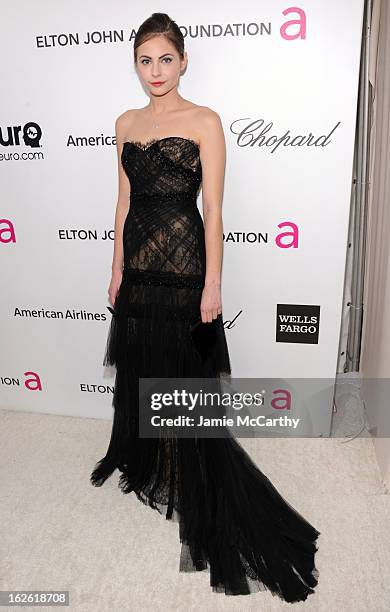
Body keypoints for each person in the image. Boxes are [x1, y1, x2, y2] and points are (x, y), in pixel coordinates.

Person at [90, 12, 320, 603]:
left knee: (186, 379)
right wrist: (116, 266)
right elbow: (122, 203)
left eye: (166, 59)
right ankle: (144, 458)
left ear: (184, 60)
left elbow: (214, 210)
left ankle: (193, 476)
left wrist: (213, 282)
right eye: (145, 60)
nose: (156, 71)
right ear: (135, 65)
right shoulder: (124, 122)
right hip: (139, 264)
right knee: (141, 368)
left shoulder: (205, 121)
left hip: (186, 264)